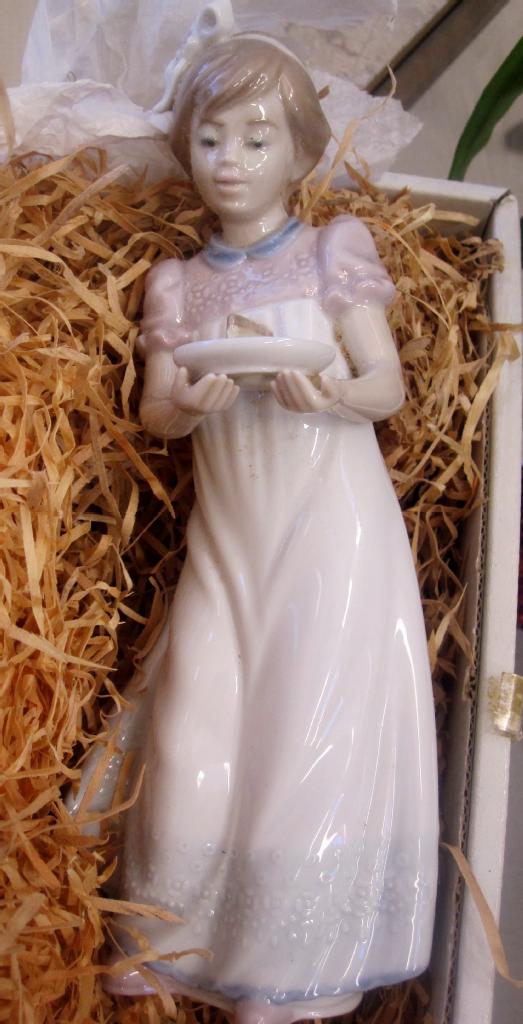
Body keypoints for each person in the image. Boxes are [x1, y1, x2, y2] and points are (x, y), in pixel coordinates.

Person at [82, 32, 438, 1024]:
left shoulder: (332, 252)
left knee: (301, 723)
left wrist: (331, 393)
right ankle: (164, 933)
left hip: (330, 521)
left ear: (298, 153)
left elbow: (383, 384)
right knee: (195, 714)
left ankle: (287, 966)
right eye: (209, 139)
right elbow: (158, 408)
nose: (229, 161)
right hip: (230, 526)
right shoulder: (177, 282)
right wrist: (187, 405)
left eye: (254, 138)